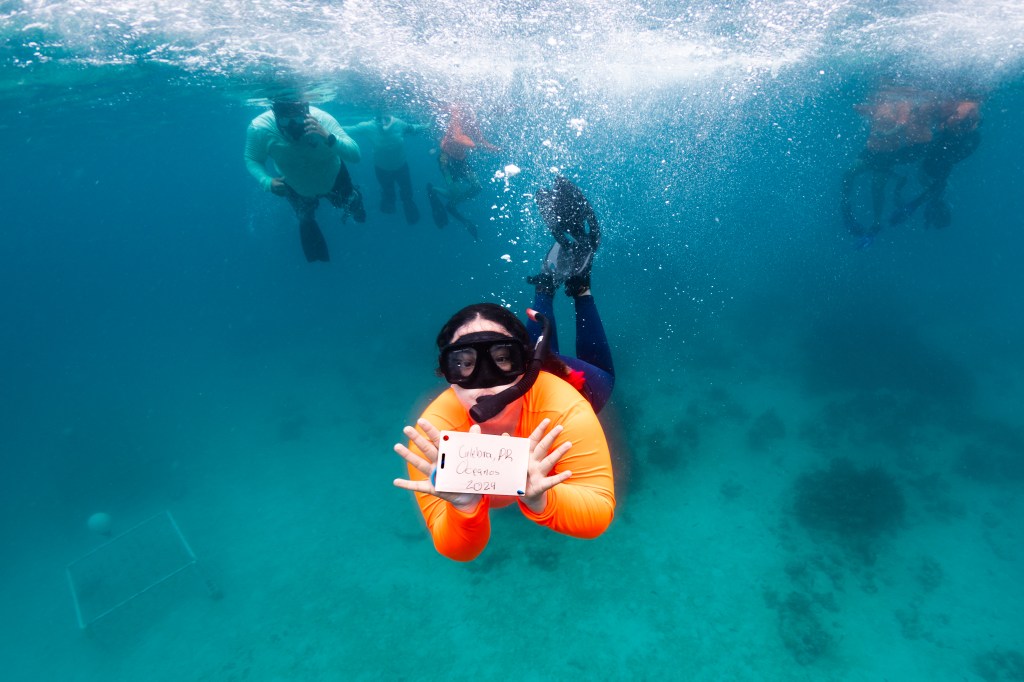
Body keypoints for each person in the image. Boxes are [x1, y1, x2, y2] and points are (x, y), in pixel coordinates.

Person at [392, 178, 615, 562]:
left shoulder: (563, 407)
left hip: (551, 383)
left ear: (522, 362)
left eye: (502, 359)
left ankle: (575, 289)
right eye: (462, 364)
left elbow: (598, 512)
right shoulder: (434, 436)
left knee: (601, 380)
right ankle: (548, 287)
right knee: (530, 345)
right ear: (444, 374)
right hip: (532, 369)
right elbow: (458, 550)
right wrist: (462, 507)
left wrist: (543, 499)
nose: (485, 383)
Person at [841, 88, 981, 246]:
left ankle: (877, 222)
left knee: (882, 184)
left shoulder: (954, 135)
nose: (952, 116)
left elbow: (905, 125)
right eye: (954, 114)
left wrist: (911, 206)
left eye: (955, 115)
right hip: (893, 152)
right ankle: (854, 214)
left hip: (913, 154)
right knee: (858, 177)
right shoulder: (946, 125)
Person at [245, 99, 365, 263]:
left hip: (334, 177)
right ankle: (317, 257)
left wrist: (329, 137)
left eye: (300, 119)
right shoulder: (260, 128)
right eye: (285, 121)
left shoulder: (323, 120)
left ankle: (356, 204)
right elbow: (252, 158)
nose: (294, 127)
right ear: (275, 116)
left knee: (353, 205)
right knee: (305, 218)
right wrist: (266, 181)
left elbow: (355, 155)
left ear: (307, 113)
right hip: (295, 185)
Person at [426, 105, 500, 240]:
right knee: (454, 192)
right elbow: (458, 137)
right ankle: (433, 190)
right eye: (470, 114)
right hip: (446, 161)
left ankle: (452, 204)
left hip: (461, 160)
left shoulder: (472, 123)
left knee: (477, 186)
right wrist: (472, 144)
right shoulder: (456, 120)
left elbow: (481, 140)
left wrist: (495, 148)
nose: (472, 117)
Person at [343, 113, 428, 225]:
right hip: (382, 169)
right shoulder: (368, 126)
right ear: (375, 117)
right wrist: (326, 130)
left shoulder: (398, 123)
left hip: (401, 167)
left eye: (386, 119)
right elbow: (348, 130)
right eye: (380, 119)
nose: (383, 123)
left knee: (407, 195)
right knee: (389, 194)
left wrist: (427, 125)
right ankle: (389, 214)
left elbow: (412, 128)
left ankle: (410, 212)